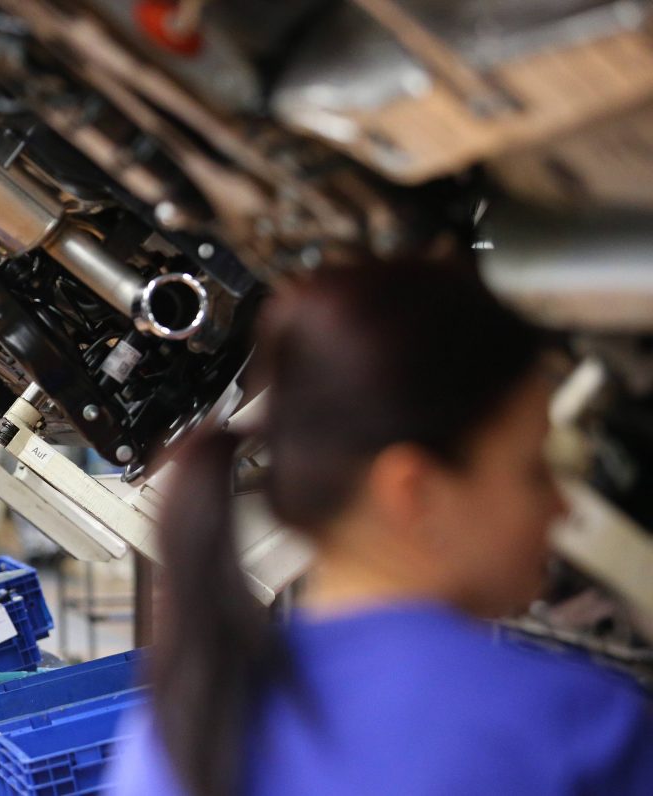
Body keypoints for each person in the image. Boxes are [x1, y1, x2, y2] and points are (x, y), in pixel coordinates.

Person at [106, 263, 653, 795]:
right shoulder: (574, 725)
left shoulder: (175, 739)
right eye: (533, 472)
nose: (561, 508)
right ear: (413, 490)